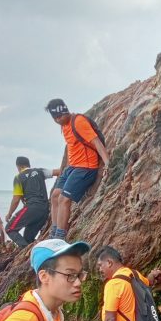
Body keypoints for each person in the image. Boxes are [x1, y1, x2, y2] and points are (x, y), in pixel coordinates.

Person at [45, 98, 109, 240]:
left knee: (64, 199)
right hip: (72, 167)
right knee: (55, 195)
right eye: (55, 119)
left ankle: (60, 237)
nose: (58, 120)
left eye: (59, 117)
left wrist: (107, 163)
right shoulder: (64, 126)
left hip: (86, 168)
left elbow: (97, 142)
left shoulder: (79, 122)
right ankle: (54, 232)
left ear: (64, 112)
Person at [6, 156, 59, 248]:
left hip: (31, 208)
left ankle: (27, 250)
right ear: (28, 165)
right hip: (44, 210)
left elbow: (16, 199)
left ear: (19, 167)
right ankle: (31, 249)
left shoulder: (18, 177)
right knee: (28, 238)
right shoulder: (39, 171)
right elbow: (59, 172)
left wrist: (9, 214)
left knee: (10, 229)